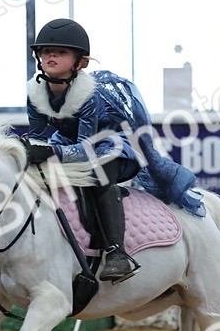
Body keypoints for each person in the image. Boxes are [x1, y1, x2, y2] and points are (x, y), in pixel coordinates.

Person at [21, 18, 205, 283]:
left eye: (60, 52)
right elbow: (39, 137)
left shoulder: (89, 95)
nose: (50, 55)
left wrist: (53, 153)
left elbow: (86, 149)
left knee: (98, 176)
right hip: (72, 144)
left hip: (114, 145)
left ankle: (117, 253)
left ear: (79, 63)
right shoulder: (34, 93)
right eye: (46, 51)